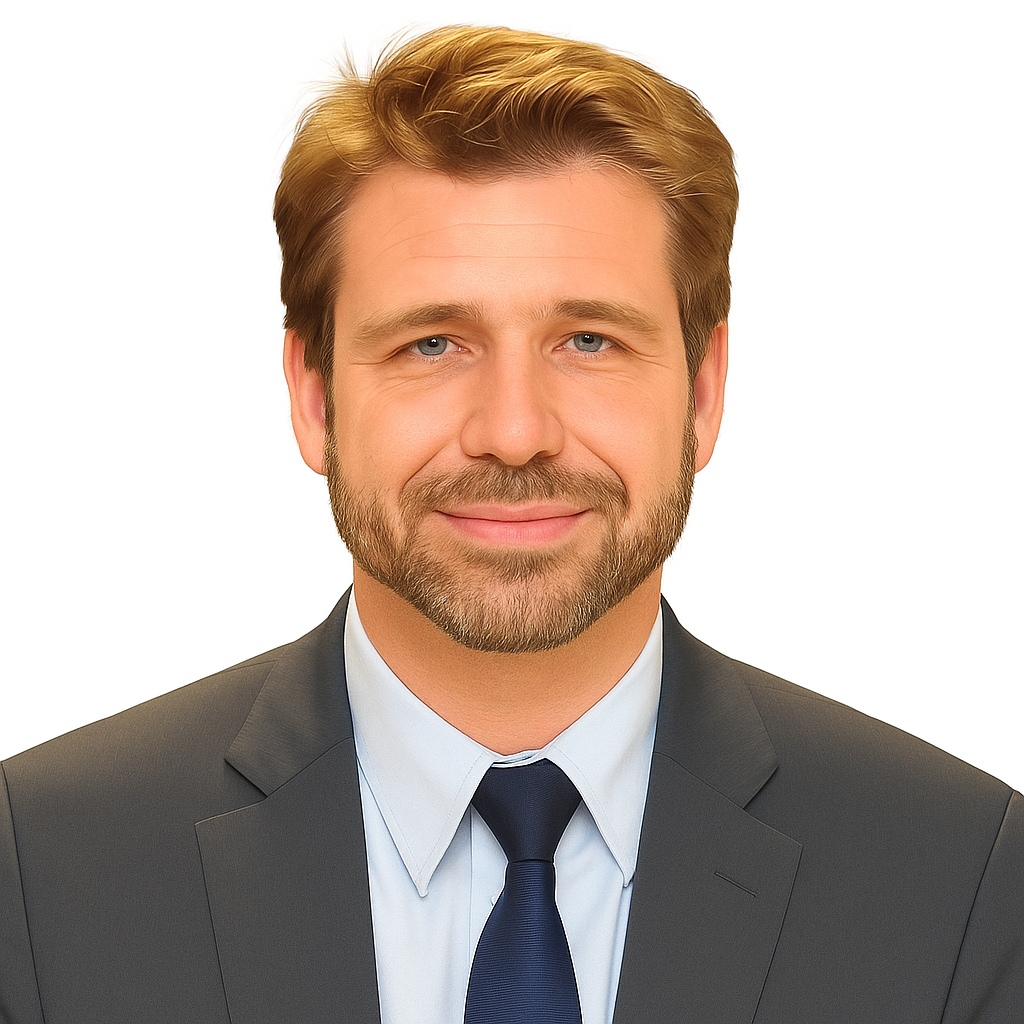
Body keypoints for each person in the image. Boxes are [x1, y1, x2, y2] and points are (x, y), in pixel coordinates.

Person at [1, 24, 1020, 1024]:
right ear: (312, 398)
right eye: (433, 343)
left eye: (588, 338)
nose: (515, 432)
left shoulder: (960, 882)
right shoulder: (41, 874)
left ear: (704, 392)